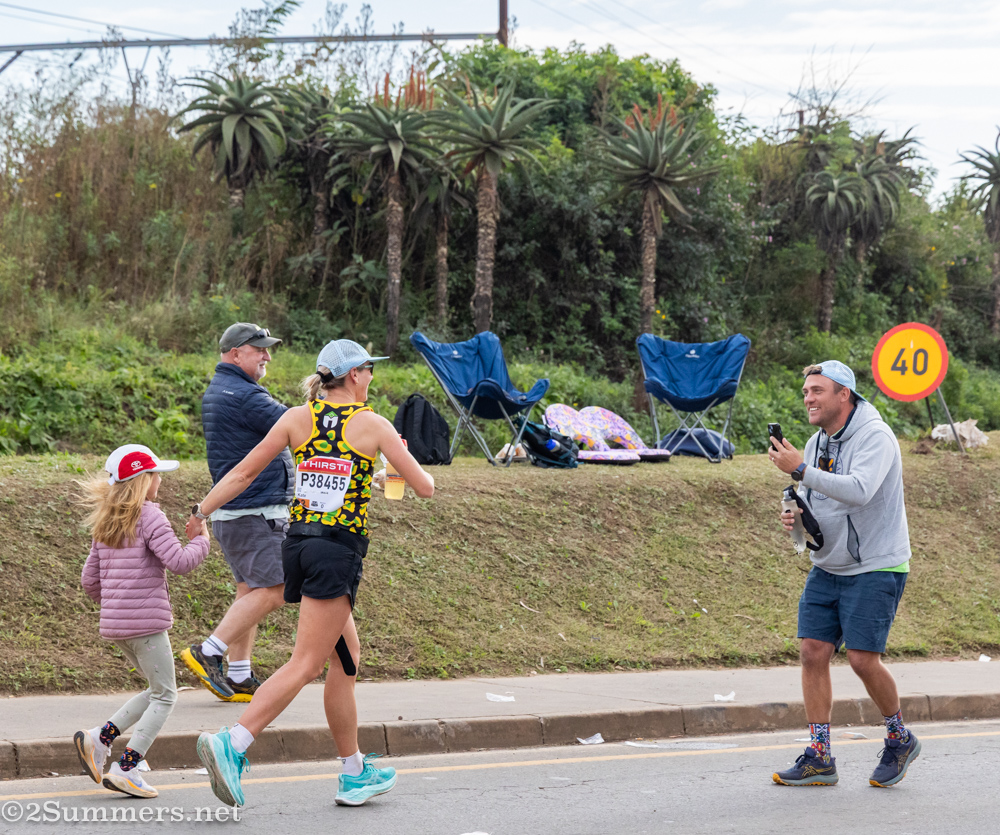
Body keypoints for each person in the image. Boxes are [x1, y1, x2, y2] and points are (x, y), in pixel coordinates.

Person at [190, 339, 434, 808]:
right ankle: (234, 742)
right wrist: (396, 455)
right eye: (369, 370)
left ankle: (354, 770)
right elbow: (424, 488)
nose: (371, 378)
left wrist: (201, 510)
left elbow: (242, 474)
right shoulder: (373, 425)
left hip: (297, 546)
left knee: (346, 659)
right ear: (356, 375)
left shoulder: (297, 418)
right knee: (306, 663)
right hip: (334, 553)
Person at [768, 361, 919, 788]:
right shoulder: (819, 441)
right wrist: (796, 514)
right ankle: (819, 756)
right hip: (828, 564)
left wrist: (800, 469)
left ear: (844, 395)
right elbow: (819, 494)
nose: (808, 399)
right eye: (805, 392)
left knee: (861, 659)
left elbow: (859, 490)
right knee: (813, 651)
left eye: (817, 390)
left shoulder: (875, 436)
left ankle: (899, 738)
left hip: (876, 563)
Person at [75, 444, 210, 798]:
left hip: (118, 628)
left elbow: (90, 580)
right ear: (142, 480)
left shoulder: (107, 519)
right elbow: (179, 562)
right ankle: (128, 766)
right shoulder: (150, 517)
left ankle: (98, 739)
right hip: (147, 627)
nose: (160, 479)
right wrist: (202, 541)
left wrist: (117, 604)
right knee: (166, 696)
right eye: (155, 473)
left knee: (156, 689)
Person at [179, 323, 292, 703]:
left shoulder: (221, 389)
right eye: (260, 349)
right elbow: (298, 425)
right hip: (254, 511)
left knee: (250, 592)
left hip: (237, 513)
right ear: (236, 353)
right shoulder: (246, 396)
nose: (267, 356)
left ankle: (240, 673)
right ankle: (209, 650)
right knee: (276, 589)